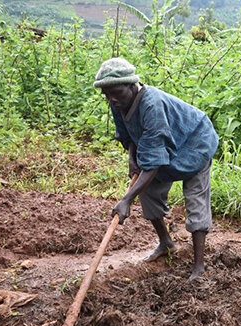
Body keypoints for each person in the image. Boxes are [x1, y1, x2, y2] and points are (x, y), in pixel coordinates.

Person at [93, 57, 219, 280]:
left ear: (132, 85)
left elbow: (152, 164)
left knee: (195, 200)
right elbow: (128, 135)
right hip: (164, 146)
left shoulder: (152, 104)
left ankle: (199, 267)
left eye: (117, 93)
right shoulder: (118, 102)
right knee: (149, 192)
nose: (112, 99)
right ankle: (166, 243)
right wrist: (133, 157)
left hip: (195, 142)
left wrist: (126, 200)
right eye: (107, 94)